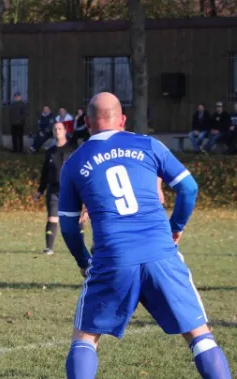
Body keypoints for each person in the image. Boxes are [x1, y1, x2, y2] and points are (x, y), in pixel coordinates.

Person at [58, 92, 231, 379]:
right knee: (199, 334)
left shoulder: (74, 163)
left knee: (85, 337)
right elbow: (188, 188)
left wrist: (83, 260)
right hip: (160, 253)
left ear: (87, 123)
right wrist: (176, 227)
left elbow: (67, 226)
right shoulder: (149, 144)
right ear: (123, 120)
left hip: (113, 257)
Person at [33, 122, 77, 255]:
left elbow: (79, 170)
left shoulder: (72, 149)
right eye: (55, 129)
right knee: (52, 218)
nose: (57, 131)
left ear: (65, 131)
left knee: (74, 219)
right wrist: (40, 190)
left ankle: (78, 247)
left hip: (70, 189)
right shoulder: (50, 152)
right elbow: (45, 172)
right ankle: (49, 248)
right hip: (53, 190)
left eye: (59, 129)